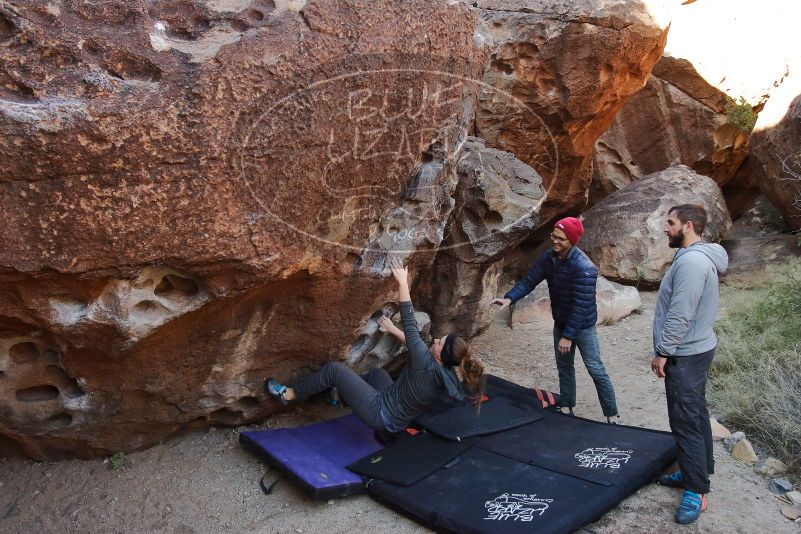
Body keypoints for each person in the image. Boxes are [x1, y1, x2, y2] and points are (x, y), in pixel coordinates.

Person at [265, 257, 485, 437]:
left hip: (380, 415)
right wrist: (391, 329)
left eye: (439, 342)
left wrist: (402, 283)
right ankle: (338, 398)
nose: (436, 340)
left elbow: (410, 324)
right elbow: (415, 344)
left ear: (440, 356)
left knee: (334, 370)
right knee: (378, 374)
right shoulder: (446, 372)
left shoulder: (426, 364)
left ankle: (288, 394)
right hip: (397, 419)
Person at [492, 217, 620, 423]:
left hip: (582, 326)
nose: (555, 241)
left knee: (595, 368)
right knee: (564, 367)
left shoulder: (584, 268)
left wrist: (568, 336)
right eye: (554, 236)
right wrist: (509, 298)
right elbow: (529, 280)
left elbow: (581, 305)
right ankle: (567, 406)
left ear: (572, 240)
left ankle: (611, 414)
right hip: (561, 320)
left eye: (560, 238)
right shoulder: (550, 257)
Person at [651, 204, 728, 525]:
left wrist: (663, 351)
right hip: (696, 349)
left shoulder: (693, 262)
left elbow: (681, 313)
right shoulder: (694, 258)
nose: (665, 228)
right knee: (695, 414)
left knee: (685, 420)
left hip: (685, 352)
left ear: (689, 225)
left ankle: (696, 489)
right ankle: (697, 469)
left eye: (670, 223)